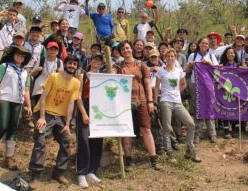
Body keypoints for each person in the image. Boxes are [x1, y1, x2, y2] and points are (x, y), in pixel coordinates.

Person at [28, 55, 81, 188]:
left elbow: (71, 104)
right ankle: (35, 175)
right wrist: (41, 117)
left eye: (74, 64)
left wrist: (68, 124)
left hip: (61, 118)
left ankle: (58, 173)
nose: (72, 66)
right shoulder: (54, 76)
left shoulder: (76, 82)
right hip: (45, 113)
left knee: (66, 142)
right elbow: (43, 98)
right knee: (40, 140)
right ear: (66, 64)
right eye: (70, 63)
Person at [113, 41, 161, 171]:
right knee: (126, 131)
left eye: (127, 48)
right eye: (123, 49)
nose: (126, 50)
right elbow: (111, 79)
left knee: (146, 129)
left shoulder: (141, 65)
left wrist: (150, 101)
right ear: (120, 52)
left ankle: (153, 159)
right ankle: (129, 160)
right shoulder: (118, 66)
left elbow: (147, 85)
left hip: (142, 101)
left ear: (131, 49)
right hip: (124, 102)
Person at [0, 45, 32, 170]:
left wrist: (29, 105)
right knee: (2, 126)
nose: (20, 56)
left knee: (13, 128)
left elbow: (26, 90)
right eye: (18, 53)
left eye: (23, 55)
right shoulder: (4, 66)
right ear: (13, 54)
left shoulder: (25, 72)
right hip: (4, 99)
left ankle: (8, 158)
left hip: (18, 102)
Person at [155, 48, 202, 162]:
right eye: (168, 56)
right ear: (165, 58)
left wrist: (177, 92)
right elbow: (156, 88)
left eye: (172, 56)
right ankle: (169, 153)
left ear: (175, 57)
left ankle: (189, 150)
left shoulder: (179, 71)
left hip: (177, 101)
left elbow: (184, 84)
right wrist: (156, 102)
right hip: (165, 101)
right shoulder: (160, 71)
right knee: (167, 127)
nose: (170, 58)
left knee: (190, 124)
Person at [76, 53, 105, 188]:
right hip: (85, 108)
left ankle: (92, 171)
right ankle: (81, 173)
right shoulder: (83, 75)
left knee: (97, 142)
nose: (97, 62)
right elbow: (78, 96)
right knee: (83, 141)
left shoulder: (103, 77)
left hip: (98, 110)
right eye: (95, 59)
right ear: (90, 60)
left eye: (99, 60)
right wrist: (83, 113)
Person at [186, 37, 219, 143]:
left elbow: (217, 70)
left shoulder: (211, 56)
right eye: (202, 43)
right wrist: (191, 65)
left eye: (206, 43)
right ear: (199, 44)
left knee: (210, 107)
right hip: (195, 84)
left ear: (208, 46)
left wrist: (209, 63)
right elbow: (187, 70)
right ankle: (197, 134)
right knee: (197, 108)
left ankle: (212, 134)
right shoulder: (193, 55)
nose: (204, 45)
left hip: (208, 85)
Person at [31, 41, 64, 107]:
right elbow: (32, 74)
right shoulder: (41, 60)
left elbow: (62, 78)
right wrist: (37, 70)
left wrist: (60, 73)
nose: (53, 51)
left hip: (53, 87)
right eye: (51, 49)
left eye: (55, 49)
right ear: (47, 50)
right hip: (40, 87)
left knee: (49, 107)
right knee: (38, 106)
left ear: (57, 51)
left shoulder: (59, 62)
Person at [219, 47, 240, 139]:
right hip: (225, 90)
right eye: (228, 53)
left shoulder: (239, 66)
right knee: (226, 110)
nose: (230, 54)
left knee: (235, 110)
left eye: (232, 53)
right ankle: (226, 129)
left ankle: (235, 129)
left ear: (235, 54)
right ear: (226, 55)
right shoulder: (222, 65)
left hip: (236, 91)